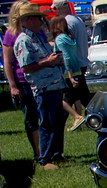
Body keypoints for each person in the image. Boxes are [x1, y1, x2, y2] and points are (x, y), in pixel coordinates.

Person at [14, 2, 66, 169]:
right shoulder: (24, 41)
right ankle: (45, 158)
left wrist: (54, 59)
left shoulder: (38, 37)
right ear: (28, 20)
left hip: (55, 84)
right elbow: (27, 67)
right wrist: (48, 62)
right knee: (47, 122)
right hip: (43, 87)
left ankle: (56, 153)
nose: (41, 22)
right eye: (38, 19)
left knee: (57, 121)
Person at [2, 1, 41, 159]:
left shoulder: (37, 31)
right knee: (31, 116)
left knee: (44, 115)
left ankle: (48, 151)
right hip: (23, 81)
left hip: (41, 78)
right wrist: (12, 86)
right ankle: (37, 152)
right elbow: (8, 61)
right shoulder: (11, 34)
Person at [51, 0, 91, 111]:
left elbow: (67, 49)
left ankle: (63, 122)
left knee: (69, 97)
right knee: (82, 95)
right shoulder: (77, 19)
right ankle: (92, 116)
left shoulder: (67, 22)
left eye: (55, 9)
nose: (56, 12)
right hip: (82, 60)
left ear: (60, 8)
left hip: (74, 64)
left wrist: (69, 73)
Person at [49, 16, 85, 130]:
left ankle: (77, 117)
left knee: (62, 99)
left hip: (67, 72)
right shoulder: (69, 37)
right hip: (77, 69)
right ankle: (79, 121)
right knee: (76, 97)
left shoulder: (59, 39)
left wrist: (69, 76)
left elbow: (66, 57)